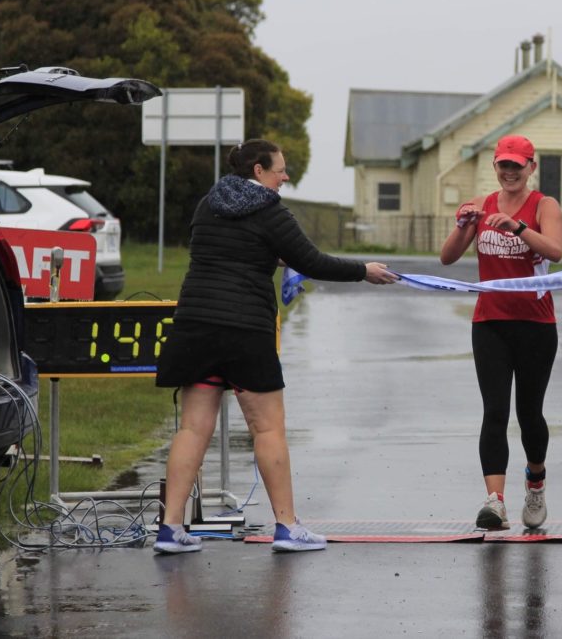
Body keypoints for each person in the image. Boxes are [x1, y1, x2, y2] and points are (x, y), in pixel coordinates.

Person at [153, 139, 398, 555]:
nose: (286, 177)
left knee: (193, 428)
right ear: (259, 171)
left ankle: (171, 528)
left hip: (194, 325)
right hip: (244, 330)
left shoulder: (207, 203)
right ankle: (287, 527)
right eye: (280, 170)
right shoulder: (270, 210)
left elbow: (223, 251)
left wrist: (271, 257)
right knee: (267, 429)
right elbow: (313, 261)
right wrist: (363, 271)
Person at [440, 134, 562, 530]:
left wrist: (518, 226)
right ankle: (495, 501)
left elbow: (556, 250)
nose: (509, 171)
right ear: (495, 166)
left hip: (536, 324)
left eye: (517, 164)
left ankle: (536, 483)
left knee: (530, 414)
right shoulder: (482, 206)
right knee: (494, 411)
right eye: (503, 165)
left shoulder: (544, 205)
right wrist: (464, 227)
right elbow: (447, 257)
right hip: (489, 322)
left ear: (531, 167)